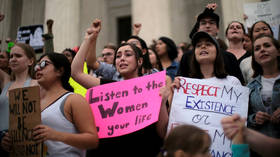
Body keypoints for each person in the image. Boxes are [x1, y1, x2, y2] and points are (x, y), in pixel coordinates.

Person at [71, 19, 169, 157]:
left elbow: (164, 134)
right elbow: (76, 73)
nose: (121, 59)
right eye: (118, 56)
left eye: (128, 55)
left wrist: (162, 102)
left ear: (140, 61)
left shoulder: (154, 88)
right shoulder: (107, 88)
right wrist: (89, 39)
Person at [35, 53, 98, 156]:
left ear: (60, 71)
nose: (38, 68)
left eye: (43, 64)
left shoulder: (74, 100)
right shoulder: (33, 102)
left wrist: (56, 135)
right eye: (36, 66)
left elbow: (92, 140)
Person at [178, 5, 245, 85]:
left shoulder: (229, 57)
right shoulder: (186, 57)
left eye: (211, 23)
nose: (207, 26)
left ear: (217, 29)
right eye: (203, 23)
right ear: (198, 29)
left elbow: (239, 88)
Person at [0, 43, 37, 156]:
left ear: (30, 61)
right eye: (11, 56)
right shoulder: (6, 82)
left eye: (18, 56)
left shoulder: (37, 84)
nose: (13, 59)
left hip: (24, 144)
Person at [247, 34, 280, 157]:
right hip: (260, 151)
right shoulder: (250, 87)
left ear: (278, 52)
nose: (262, 50)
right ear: (254, 57)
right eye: (257, 48)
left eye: (267, 45)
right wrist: (254, 118)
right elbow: (244, 120)